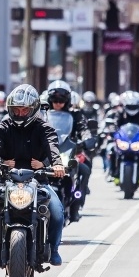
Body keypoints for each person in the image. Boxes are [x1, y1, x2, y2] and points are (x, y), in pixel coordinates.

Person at [0, 85, 66, 265]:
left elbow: (52, 146)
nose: (19, 113)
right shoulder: (2, 127)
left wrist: (56, 164)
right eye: (15, 109)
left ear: (33, 108)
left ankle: (54, 249)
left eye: (24, 109)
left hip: (38, 180)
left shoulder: (44, 127)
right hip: (7, 180)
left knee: (57, 212)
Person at [47, 80, 92, 222]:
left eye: (61, 100)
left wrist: (86, 139)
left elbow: (84, 129)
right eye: (55, 99)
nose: (58, 103)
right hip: (48, 153)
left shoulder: (76, 115)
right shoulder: (43, 115)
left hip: (69, 151)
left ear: (67, 100)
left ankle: (76, 205)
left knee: (84, 169)